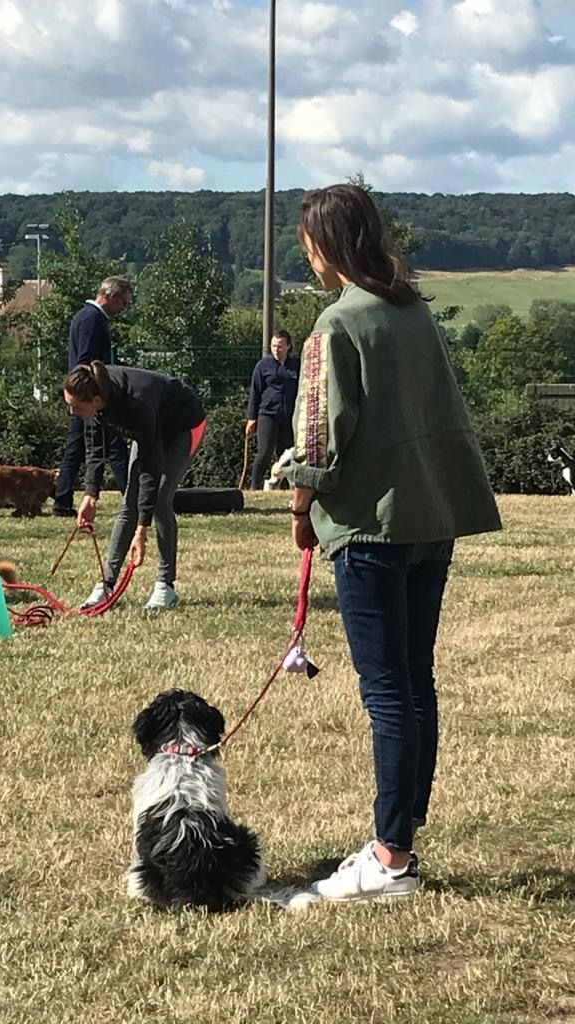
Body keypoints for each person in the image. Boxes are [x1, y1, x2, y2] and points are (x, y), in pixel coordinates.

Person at [283, 184, 501, 903]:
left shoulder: (337, 323)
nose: (308, 259)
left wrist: (300, 503)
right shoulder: (414, 312)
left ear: (327, 245)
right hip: (431, 518)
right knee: (414, 681)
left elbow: (319, 434)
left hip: (371, 527)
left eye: (309, 246)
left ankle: (391, 857)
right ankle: (401, 834)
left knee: (386, 693)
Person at [62, 361, 206, 610]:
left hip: (185, 426)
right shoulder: (95, 394)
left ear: (96, 400)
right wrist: (90, 495)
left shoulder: (138, 403)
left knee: (159, 499)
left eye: (75, 406)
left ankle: (166, 586)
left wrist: (141, 530)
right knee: (129, 500)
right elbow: (96, 450)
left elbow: (150, 468)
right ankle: (106, 585)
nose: (71, 412)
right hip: (151, 428)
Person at [52, 277, 133, 517]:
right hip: (90, 397)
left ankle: (62, 502)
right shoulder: (91, 319)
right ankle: (132, 497)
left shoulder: (89, 317)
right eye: (123, 302)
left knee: (79, 448)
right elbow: (85, 361)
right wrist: (92, 396)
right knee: (114, 447)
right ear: (111, 296)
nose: (124, 308)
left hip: (87, 397)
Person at [245, 330, 300, 489]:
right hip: (267, 414)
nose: (276, 349)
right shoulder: (263, 366)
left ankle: (285, 488)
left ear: (288, 346)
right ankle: (254, 487)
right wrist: (251, 417)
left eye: (280, 346)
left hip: (289, 416)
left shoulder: (297, 365)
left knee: (286, 454)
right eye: (274, 346)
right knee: (265, 452)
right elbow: (255, 392)